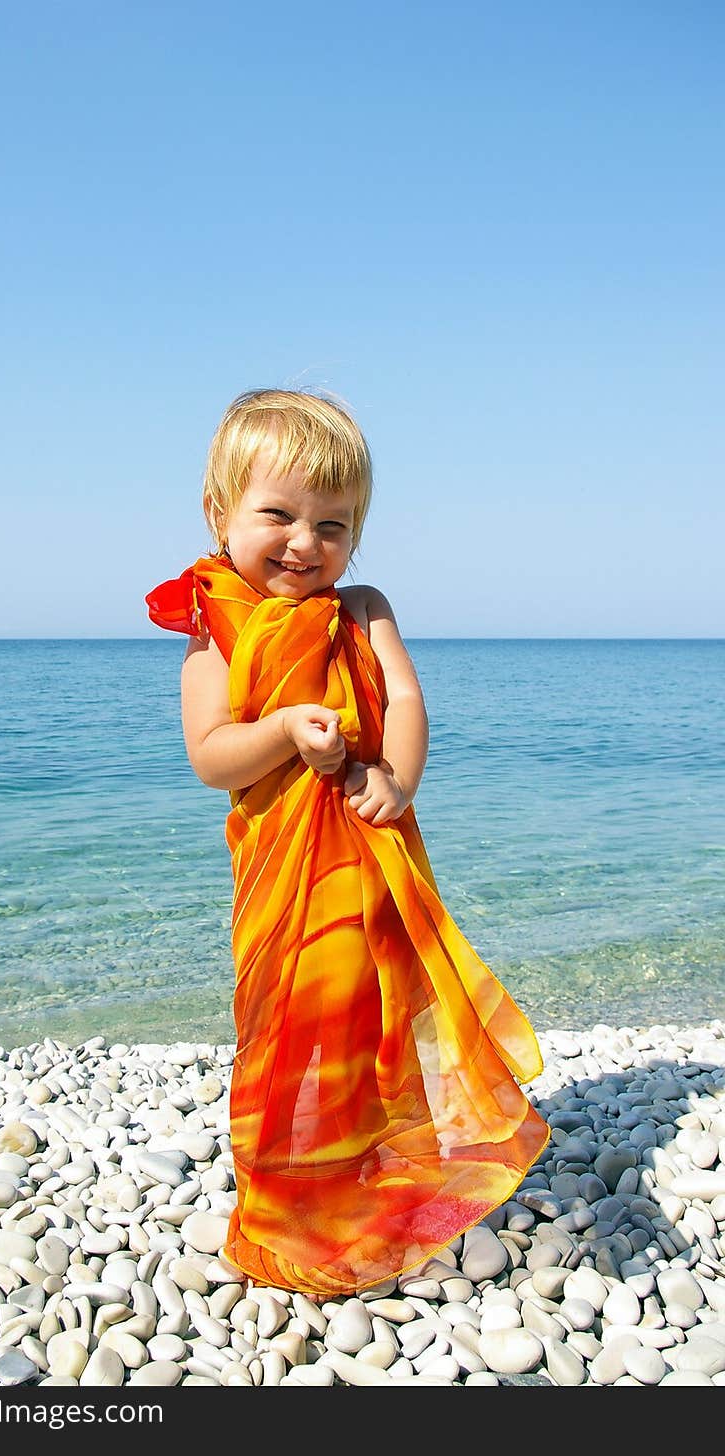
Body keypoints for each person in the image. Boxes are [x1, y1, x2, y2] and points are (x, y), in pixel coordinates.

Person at [146, 388, 549, 1298]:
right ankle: (287, 1196)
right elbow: (213, 758)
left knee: (371, 1018)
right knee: (287, 1026)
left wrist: (395, 778)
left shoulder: (362, 607)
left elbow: (404, 701)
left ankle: (371, 1165)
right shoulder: (212, 629)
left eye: (333, 523)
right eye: (278, 514)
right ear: (220, 514)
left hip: (370, 855)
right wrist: (287, 728)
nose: (304, 542)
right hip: (280, 872)